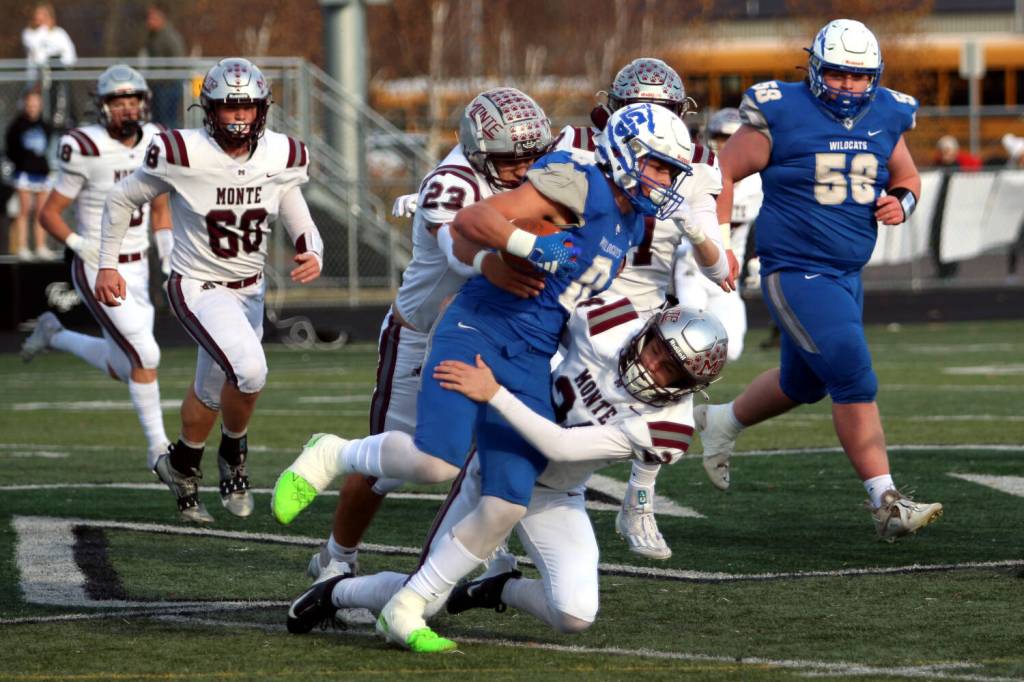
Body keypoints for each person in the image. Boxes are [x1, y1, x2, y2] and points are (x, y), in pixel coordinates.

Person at [272, 102, 694, 651]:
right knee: (436, 461)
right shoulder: (578, 181)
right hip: (480, 325)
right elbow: (472, 221)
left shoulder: (632, 218)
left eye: (670, 171)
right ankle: (333, 453)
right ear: (626, 152)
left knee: (508, 500)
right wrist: (527, 245)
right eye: (659, 166)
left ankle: (406, 606)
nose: (664, 180)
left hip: (531, 353)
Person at [283, 302, 728, 640]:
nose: (652, 367)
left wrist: (495, 393)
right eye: (657, 350)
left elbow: (561, 445)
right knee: (426, 600)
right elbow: (534, 324)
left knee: (575, 614)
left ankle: (498, 588)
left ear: (690, 387)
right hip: (501, 463)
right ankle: (336, 591)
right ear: (649, 330)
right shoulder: (609, 321)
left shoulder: (669, 427)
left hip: (556, 492)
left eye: (671, 371)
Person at [697, 18, 943, 541]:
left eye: (859, 77)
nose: (849, 87)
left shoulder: (887, 113)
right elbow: (720, 173)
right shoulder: (783, 111)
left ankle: (723, 421)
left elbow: (907, 177)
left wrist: (902, 202)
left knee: (804, 382)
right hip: (797, 269)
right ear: (814, 69)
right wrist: (720, 243)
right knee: (853, 375)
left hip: (847, 273)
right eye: (837, 74)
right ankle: (886, 502)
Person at [301, 87, 551, 580]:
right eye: (511, 159)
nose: (525, 169)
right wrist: (494, 263)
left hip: (493, 335)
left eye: (532, 157)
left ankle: (482, 550)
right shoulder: (450, 183)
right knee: (387, 463)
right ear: (479, 151)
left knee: (498, 447)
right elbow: (457, 251)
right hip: (421, 334)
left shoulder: (537, 171)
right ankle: (336, 558)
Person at [94, 58, 324, 523]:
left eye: (247, 107)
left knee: (211, 391)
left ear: (262, 109)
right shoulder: (184, 152)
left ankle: (181, 464)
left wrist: (311, 247)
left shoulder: (280, 154)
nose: (239, 116)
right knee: (251, 371)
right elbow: (122, 198)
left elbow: (291, 202)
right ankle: (234, 453)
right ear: (210, 110)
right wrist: (107, 264)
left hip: (251, 288)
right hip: (198, 285)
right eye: (229, 107)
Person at [553, 57, 732, 560]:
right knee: (544, 400)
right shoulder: (577, 144)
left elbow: (721, 270)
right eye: (635, 109)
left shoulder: (696, 164)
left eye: (662, 112)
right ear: (613, 111)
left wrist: (696, 228)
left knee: (678, 388)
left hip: (643, 308)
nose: (650, 123)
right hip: (574, 291)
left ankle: (639, 500)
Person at [20, 65, 173, 470]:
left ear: (144, 103)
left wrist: (168, 260)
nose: (127, 109)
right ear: (103, 107)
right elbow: (49, 213)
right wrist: (79, 245)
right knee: (146, 354)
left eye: (132, 100)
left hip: (138, 267)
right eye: (118, 102)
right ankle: (159, 451)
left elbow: (160, 209)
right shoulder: (85, 146)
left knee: (123, 366)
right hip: (98, 266)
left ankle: (54, 334)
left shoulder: (155, 140)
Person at [675, 107, 764, 366]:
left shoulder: (757, 183)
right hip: (691, 266)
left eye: (733, 138)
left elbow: (764, 222)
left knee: (731, 348)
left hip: (727, 274)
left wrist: (757, 259)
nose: (727, 145)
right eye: (722, 138)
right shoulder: (696, 174)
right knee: (686, 342)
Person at [4, 89, 53, 260]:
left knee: (42, 212)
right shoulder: (17, 126)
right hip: (24, 173)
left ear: (40, 105)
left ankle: (40, 246)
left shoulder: (45, 126)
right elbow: (10, 149)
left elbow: (48, 148)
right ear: (25, 105)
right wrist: (21, 164)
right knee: (24, 210)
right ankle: (23, 247)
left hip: (42, 173)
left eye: (35, 104)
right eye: (30, 104)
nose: (32, 107)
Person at [21, 3, 77, 129]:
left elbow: (70, 55)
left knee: (57, 105)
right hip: (36, 79)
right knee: (33, 108)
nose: (40, 18)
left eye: (43, 15)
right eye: (37, 15)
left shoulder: (60, 33)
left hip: (56, 79)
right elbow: (38, 55)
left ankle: (59, 124)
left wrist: (57, 61)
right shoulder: (29, 33)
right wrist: (44, 30)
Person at [143, 3, 186, 128]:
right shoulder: (153, 36)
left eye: (152, 18)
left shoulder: (169, 36)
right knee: (156, 122)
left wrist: (165, 79)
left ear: (160, 19)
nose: (148, 21)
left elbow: (178, 60)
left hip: (168, 86)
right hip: (157, 86)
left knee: (168, 121)